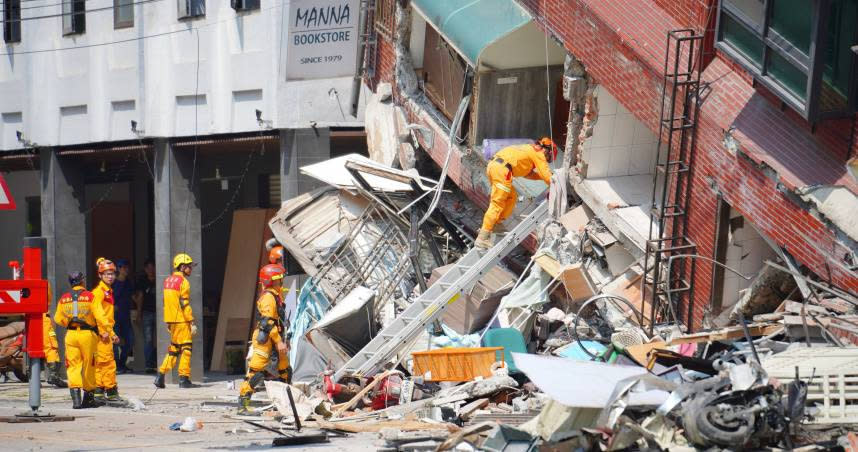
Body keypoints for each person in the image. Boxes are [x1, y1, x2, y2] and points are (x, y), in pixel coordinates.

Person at [475, 137, 557, 249]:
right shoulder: (538, 153)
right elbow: (546, 175)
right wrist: (556, 182)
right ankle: (483, 237)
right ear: (548, 151)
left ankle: (497, 224)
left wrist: (544, 177)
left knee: (512, 197)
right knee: (497, 204)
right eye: (548, 158)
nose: (546, 160)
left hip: (497, 167)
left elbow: (528, 174)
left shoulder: (529, 150)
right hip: (502, 171)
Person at [238, 264, 290, 415]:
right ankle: (243, 404)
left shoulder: (276, 295)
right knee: (256, 372)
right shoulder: (268, 297)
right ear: (271, 280)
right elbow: (267, 322)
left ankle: (286, 402)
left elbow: (279, 321)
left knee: (284, 369)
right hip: (266, 339)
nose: (281, 282)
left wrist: (283, 340)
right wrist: (278, 341)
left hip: (275, 338)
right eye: (279, 279)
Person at [53, 272, 102, 409]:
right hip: (87, 335)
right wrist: (108, 331)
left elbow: (57, 318)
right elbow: (100, 316)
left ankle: (76, 401)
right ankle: (88, 399)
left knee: (73, 366)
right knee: (89, 365)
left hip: (71, 335)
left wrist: (68, 323)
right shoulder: (90, 296)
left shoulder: (64, 298)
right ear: (82, 281)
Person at [154, 253, 197, 389]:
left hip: (172, 321)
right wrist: (191, 321)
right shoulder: (184, 282)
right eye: (190, 266)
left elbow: (166, 302)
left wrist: (168, 321)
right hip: (182, 321)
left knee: (173, 350)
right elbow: (184, 303)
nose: (191, 269)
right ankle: (184, 379)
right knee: (186, 349)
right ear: (182, 267)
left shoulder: (168, 281)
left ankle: (160, 375)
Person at [92, 258, 120, 401]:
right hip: (103, 333)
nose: (110, 276)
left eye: (112, 274)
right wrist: (110, 332)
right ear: (100, 275)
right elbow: (99, 315)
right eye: (107, 274)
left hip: (103, 332)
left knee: (101, 363)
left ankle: (99, 391)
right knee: (108, 363)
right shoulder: (99, 292)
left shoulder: (107, 291)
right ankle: (111, 392)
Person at [133, 259, 157, 373]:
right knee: (148, 340)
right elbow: (140, 297)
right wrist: (139, 313)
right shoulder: (142, 281)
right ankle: (149, 365)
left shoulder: (161, 278)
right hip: (147, 312)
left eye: (152, 267)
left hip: (160, 312)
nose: (151, 270)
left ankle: (160, 363)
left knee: (161, 339)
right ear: (145, 269)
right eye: (148, 268)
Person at [112, 259, 135, 374]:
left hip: (126, 317)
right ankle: (116, 366)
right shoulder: (113, 283)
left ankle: (122, 364)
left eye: (127, 267)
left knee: (130, 341)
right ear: (119, 269)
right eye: (123, 267)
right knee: (115, 342)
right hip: (115, 317)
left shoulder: (128, 283)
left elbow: (132, 296)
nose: (126, 270)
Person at [42, 312, 67, 388]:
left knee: (34, 347)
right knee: (50, 348)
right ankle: (54, 375)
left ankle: (33, 379)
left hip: (31, 318)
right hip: (42, 318)